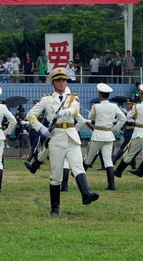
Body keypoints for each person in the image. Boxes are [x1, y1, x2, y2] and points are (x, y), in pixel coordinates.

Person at [25, 67, 99, 216]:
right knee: (57, 174)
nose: (61, 83)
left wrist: (65, 112)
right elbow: (31, 115)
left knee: (78, 167)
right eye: (58, 80)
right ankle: (55, 208)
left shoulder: (72, 97)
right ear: (53, 83)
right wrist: (42, 129)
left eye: (64, 80)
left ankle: (86, 195)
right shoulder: (47, 99)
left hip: (71, 136)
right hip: (56, 138)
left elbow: (74, 109)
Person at [82, 83, 126, 190]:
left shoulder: (96, 106)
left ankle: (78, 176)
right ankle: (111, 185)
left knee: (89, 158)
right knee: (108, 161)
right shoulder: (114, 106)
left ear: (100, 94)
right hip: (108, 135)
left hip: (97, 135)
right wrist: (115, 129)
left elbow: (90, 117)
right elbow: (123, 118)